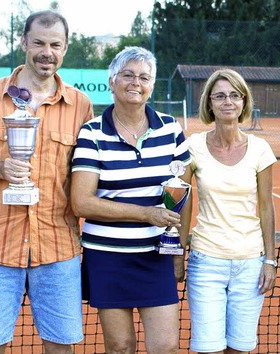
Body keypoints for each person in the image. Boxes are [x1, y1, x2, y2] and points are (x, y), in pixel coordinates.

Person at [0, 10, 93, 353]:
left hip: (57, 247)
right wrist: (1, 169)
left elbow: (88, 173)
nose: (47, 52)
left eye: (55, 44)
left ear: (66, 48)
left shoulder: (81, 105)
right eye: (39, 43)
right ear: (23, 43)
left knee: (61, 347)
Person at [70, 46, 190, 354]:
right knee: (120, 347)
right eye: (127, 75)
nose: (135, 82)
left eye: (143, 77)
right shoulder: (92, 133)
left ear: (151, 86)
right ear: (112, 81)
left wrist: (178, 250)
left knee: (166, 347)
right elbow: (81, 202)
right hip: (107, 256)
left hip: (157, 256)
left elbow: (184, 195)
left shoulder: (171, 128)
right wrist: (146, 214)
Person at [179, 68, 277, 354]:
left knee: (239, 349)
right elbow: (181, 201)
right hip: (205, 262)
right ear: (209, 103)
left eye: (235, 95)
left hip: (250, 265)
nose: (227, 102)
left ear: (243, 102)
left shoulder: (260, 149)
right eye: (220, 96)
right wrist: (177, 251)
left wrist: (270, 261)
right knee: (209, 349)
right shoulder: (192, 146)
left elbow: (266, 207)